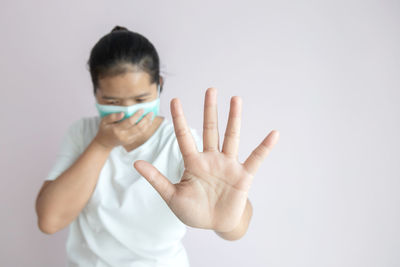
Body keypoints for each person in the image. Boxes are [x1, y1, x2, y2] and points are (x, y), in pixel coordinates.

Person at [35, 25, 280, 267]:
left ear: (159, 85)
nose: (128, 111)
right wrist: (101, 144)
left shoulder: (179, 144)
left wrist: (227, 219)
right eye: (112, 101)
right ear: (95, 93)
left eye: (141, 99)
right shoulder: (81, 133)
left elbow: (235, 226)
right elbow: (49, 220)